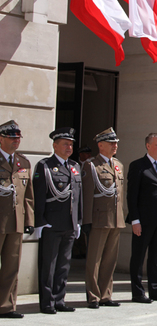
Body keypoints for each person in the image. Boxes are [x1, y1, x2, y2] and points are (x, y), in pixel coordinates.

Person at [33, 127, 82, 314]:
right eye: (65, 144)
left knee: (63, 265)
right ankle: (47, 303)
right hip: (51, 224)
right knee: (49, 265)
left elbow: (78, 197)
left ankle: (59, 299)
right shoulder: (45, 166)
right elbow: (38, 195)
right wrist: (39, 221)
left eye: (71, 144)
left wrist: (78, 220)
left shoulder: (75, 167)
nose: (69, 147)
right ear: (55, 146)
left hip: (69, 223)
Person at [127, 133, 157, 303]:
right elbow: (132, 196)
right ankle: (138, 292)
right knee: (139, 256)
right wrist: (135, 220)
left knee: (156, 256)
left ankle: (155, 290)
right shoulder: (138, 166)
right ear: (148, 146)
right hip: (143, 220)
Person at [82, 128, 125, 309]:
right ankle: (93, 295)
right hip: (98, 219)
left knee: (109, 259)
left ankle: (106, 295)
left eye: (116, 143)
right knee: (95, 260)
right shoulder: (91, 165)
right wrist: (86, 221)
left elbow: (120, 195)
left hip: (115, 219)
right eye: (111, 143)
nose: (115, 146)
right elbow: (86, 195)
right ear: (100, 145)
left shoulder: (118, 165)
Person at [0, 120, 34, 318]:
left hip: (16, 222)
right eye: (12, 138)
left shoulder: (24, 162)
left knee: (11, 267)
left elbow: (28, 196)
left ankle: (6, 306)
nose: (16, 141)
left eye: (18, 138)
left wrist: (29, 221)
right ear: (1, 139)